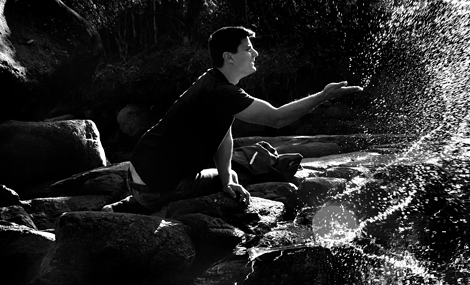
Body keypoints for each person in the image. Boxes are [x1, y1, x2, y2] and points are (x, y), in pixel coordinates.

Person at [103, 26, 362, 214]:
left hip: (140, 173)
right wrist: (323, 95)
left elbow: (223, 131)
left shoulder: (212, 81)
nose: (256, 54)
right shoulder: (221, 91)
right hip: (153, 186)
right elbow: (277, 118)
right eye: (248, 49)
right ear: (229, 57)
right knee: (239, 181)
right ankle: (139, 205)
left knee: (229, 176)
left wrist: (226, 176)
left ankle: (129, 205)